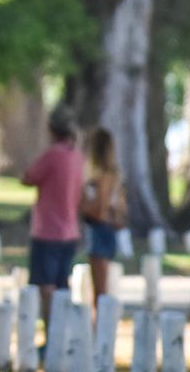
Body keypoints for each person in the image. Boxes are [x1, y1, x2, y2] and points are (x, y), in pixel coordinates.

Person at [20, 105, 84, 351]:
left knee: (46, 288)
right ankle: (63, 336)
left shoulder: (52, 155)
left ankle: (51, 340)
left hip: (47, 230)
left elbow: (28, 177)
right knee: (61, 285)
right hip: (70, 230)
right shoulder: (77, 155)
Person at [80, 126, 126, 303]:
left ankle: (99, 327)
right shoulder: (114, 176)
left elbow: (101, 210)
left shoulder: (104, 177)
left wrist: (82, 207)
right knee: (100, 288)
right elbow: (121, 207)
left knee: (100, 291)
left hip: (100, 230)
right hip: (105, 230)